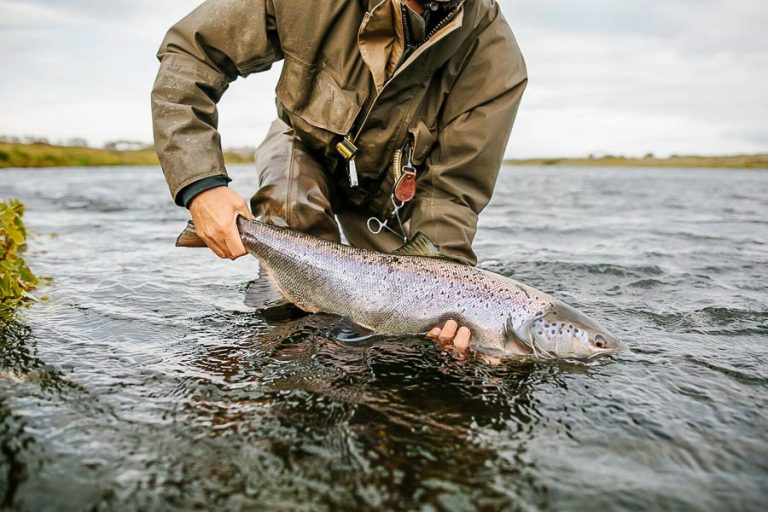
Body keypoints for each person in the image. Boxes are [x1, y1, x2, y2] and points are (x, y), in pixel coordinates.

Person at [152, 0, 527, 352]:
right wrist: (201, 186)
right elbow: (191, 55)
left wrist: (452, 301)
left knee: (408, 334)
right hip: (301, 143)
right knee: (295, 218)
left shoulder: (495, 61)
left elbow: (451, 195)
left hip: (392, 203)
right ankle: (295, 368)